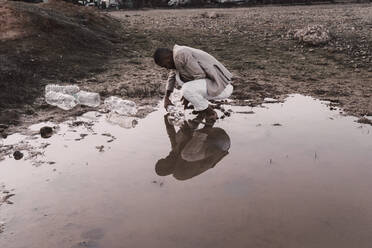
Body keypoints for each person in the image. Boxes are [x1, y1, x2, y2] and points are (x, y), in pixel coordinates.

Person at [153, 45, 234, 123]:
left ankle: (211, 113)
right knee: (184, 84)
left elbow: (200, 75)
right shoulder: (175, 58)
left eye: (164, 65)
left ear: (167, 57)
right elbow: (172, 77)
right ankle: (202, 108)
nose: (166, 68)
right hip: (213, 85)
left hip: (222, 87)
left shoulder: (180, 54)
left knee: (186, 89)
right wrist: (167, 97)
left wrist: (187, 96)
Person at [155, 114, 231, 181]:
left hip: (214, 135)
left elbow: (171, 135)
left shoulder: (175, 153)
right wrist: (188, 135)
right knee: (186, 154)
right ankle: (209, 124)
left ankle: (201, 115)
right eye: (166, 161)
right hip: (220, 145)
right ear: (169, 169)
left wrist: (167, 120)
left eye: (164, 158)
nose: (167, 157)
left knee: (178, 138)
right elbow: (205, 162)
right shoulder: (180, 173)